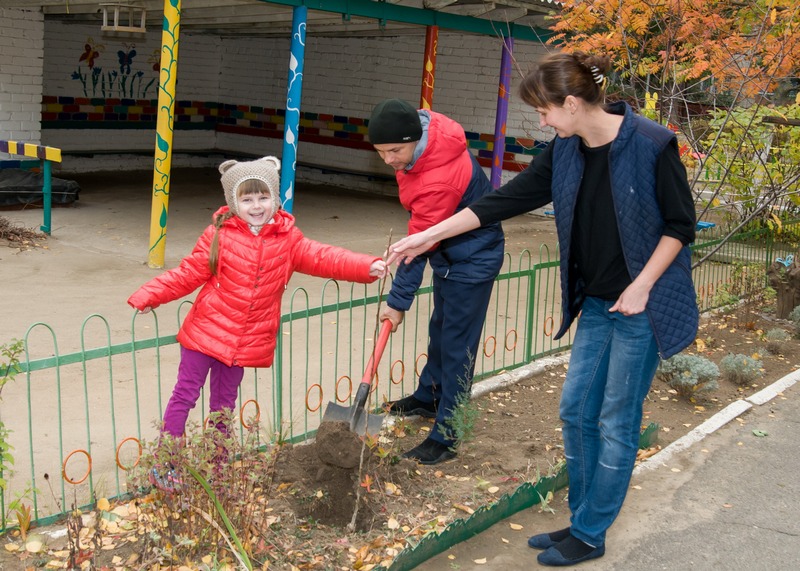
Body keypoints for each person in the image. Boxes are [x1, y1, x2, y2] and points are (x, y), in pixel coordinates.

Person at [386, 52, 698, 566]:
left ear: (572, 104)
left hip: (640, 306)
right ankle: (582, 522)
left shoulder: (651, 144)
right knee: (576, 410)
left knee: (617, 421)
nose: (543, 121)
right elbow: (507, 199)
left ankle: (591, 534)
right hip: (597, 303)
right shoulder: (568, 149)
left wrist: (642, 285)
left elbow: (679, 226)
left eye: (545, 111)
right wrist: (429, 235)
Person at [128, 156, 386, 489]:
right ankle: (166, 465)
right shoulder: (218, 235)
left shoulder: (288, 239)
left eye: (263, 197)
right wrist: (150, 294)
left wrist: (367, 266)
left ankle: (216, 468)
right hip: (205, 334)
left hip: (242, 344)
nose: (255, 205)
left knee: (223, 407)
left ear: (275, 199)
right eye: (246, 198)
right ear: (232, 202)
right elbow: (189, 273)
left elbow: (324, 257)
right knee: (184, 396)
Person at [368, 99, 505, 465]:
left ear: (414, 139)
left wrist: (397, 303)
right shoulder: (423, 143)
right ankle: (430, 396)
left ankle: (447, 434)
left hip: (473, 258)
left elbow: (418, 244)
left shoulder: (439, 178)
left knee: (458, 345)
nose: (388, 160)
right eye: (381, 152)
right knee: (441, 329)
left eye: (394, 150)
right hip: (449, 254)